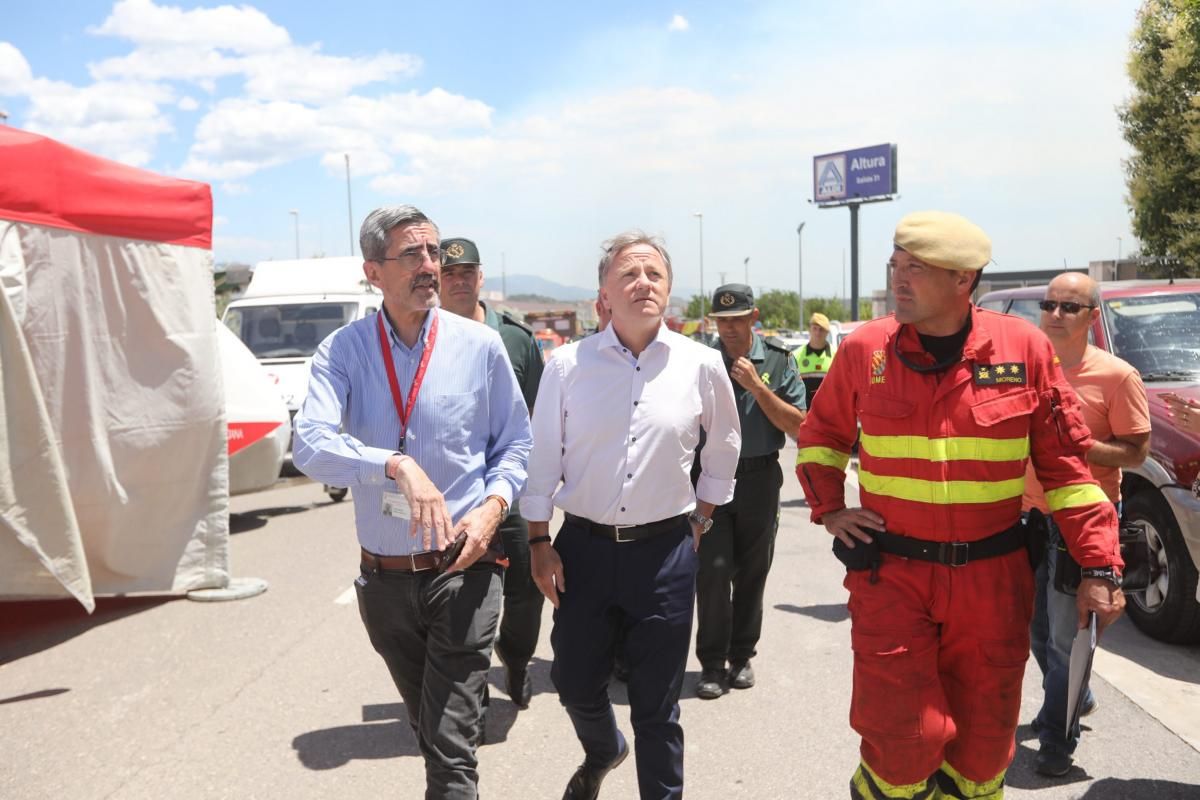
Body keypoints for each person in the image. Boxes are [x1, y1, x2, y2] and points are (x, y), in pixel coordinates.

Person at [795, 210, 1124, 800]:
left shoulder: (1023, 348)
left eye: (916, 269)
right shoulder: (866, 349)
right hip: (892, 577)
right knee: (901, 740)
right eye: (896, 265)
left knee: (982, 750)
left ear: (963, 280)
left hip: (993, 583)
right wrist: (829, 509)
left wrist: (1099, 566)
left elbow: (1067, 472)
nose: (899, 279)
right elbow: (821, 438)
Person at [292, 205, 532, 800]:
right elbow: (311, 444)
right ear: (373, 271)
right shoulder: (341, 352)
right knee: (431, 730)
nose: (431, 266)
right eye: (413, 256)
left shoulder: (480, 346)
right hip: (387, 584)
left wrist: (494, 507)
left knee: (451, 751)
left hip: (465, 569)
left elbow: (516, 444)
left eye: (434, 252)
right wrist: (393, 463)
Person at [523, 231, 741, 800]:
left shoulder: (702, 364)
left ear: (668, 291)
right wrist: (539, 541)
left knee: (657, 706)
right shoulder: (567, 366)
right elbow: (543, 458)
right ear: (604, 294)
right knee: (572, 681)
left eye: (655, 275)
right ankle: (603, 748)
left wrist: (700, 523)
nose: (643, 283)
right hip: (584, 551)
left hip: (666, 553)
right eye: (629, 274)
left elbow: (722, 451)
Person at [1025, 273, 1150, 777]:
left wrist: (1083, 447)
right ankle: (1079, 694)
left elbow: (1137, 453)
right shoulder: (1027, 369)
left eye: (1069, 307)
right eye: (1049, 304)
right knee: (1034, 636)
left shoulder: (1117, 376)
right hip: (1028, 518)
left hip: (1083, 525)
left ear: (1092, 317)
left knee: (1064, 639)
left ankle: (1058, 736)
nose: (1055, 314)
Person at [439, 236, 545, 712]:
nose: (460, 281)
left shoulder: (517, 339)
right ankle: (471, 688)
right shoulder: (426, 338)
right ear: (438, 282)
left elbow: (541, 417)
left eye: (467, 273)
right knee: (462, 595)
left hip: (514, 492)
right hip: (455, 495)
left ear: (481, 278)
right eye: (449, 274)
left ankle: (517, 660)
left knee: (527, 590)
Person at [694, 283, 807, 699]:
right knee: (713, 570)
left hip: (760, 477)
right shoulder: (700, 361)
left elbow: (798, 426)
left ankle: (741, 656)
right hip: (710, 480)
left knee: (754, 570)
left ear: (753, 318)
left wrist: (758, 387)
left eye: (737, 321)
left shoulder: (777, 360)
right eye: (722, 322)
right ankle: (710, 662)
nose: (728, 330)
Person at [794, 312, 834, 404]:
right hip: (804, 413)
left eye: (821, 329)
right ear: (809, 329)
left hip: (828, 411)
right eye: (815, 328)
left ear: (827, 332)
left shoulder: (836, 355)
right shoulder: (796, 356)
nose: (817, 332)